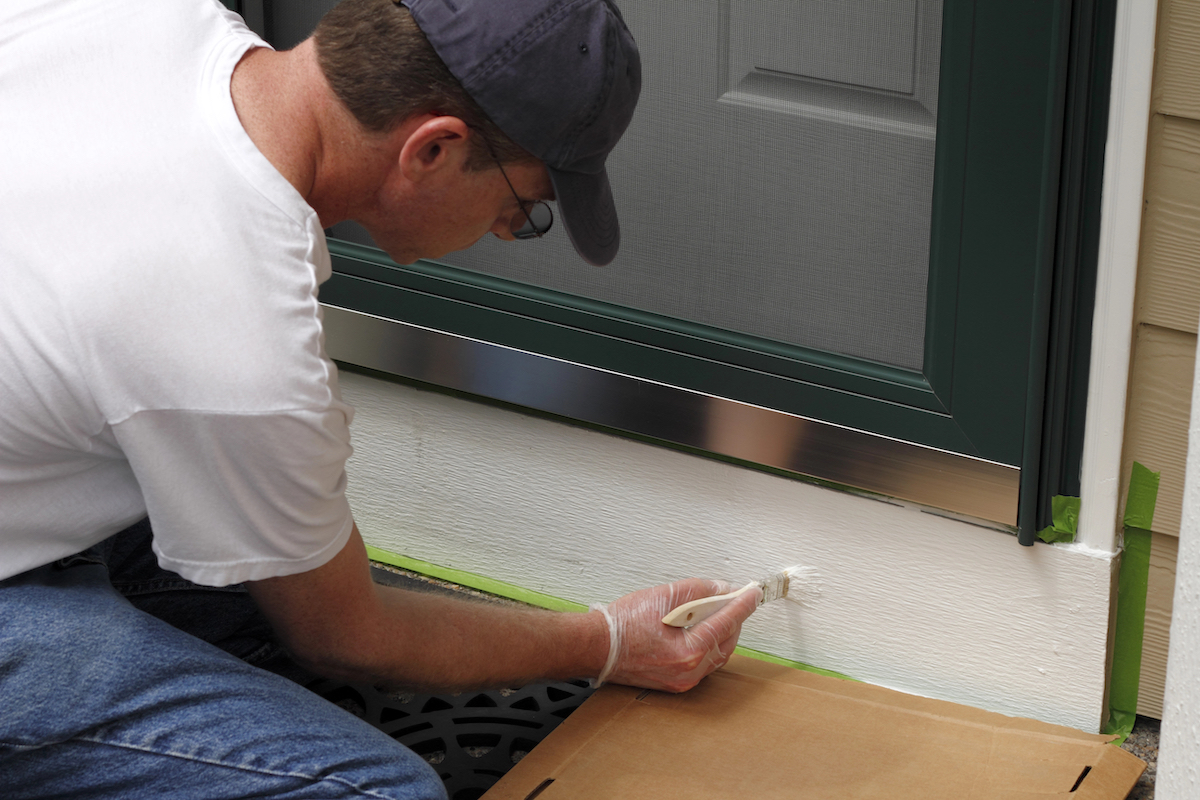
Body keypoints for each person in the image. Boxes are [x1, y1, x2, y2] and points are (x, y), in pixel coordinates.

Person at [0, 0, 762, 797]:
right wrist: (606, 641)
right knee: (381, 790)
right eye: (523, 207)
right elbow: (347, 639)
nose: (507, 229)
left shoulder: (134, 19)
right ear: (433, 148)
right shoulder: (232, 323)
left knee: (260, 571)